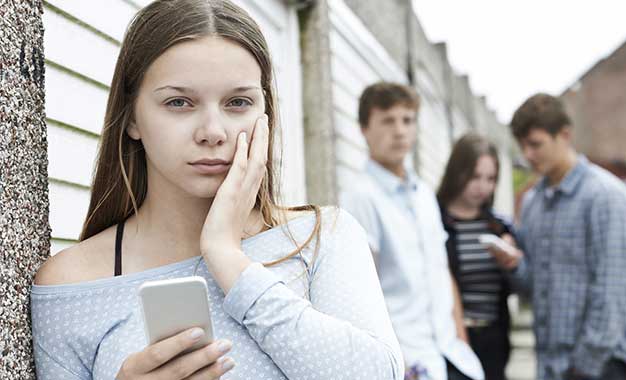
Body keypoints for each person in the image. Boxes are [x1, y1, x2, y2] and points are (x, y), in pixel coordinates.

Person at [30, 1, 404, 379]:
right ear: (131, 118)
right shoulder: (71, 283)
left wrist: (229, 259)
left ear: (265, 114)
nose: (213, 131)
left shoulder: (322, 239)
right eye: (179, 102)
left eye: (237, 102)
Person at [341, 82, 484, 380]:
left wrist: (461, 340)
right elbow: (358, 293)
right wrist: (398, 363)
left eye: (407, 120)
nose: (400, 131)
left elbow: (442, 272)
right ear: (365, 129)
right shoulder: (360, 197)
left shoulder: (424, 195)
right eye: (388, 120)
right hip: (409, 362)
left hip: (453, 357)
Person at [489, 93, 626, 380]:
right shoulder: (531, 203)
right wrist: (514, 264)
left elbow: (613, 290)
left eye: (535, 144)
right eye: (522, 146)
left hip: (599, 367)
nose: (527, 155)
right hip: (548, 365)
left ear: (564, 135)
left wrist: (585, 367)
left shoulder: (606, 196)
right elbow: (533, 287)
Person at [437, 133, 518, 380]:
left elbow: (522, 285)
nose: (482, 186)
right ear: (456, 173)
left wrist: (513, 262)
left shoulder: (500, 227)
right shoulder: (434, 220)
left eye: (490, 178)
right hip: (449, 339)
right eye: (474, 177)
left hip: (493, 338)